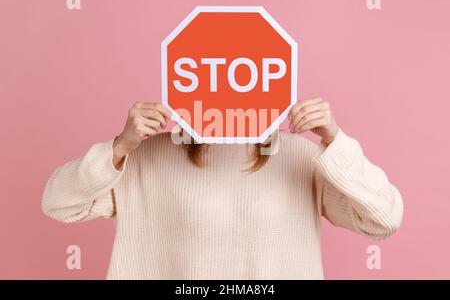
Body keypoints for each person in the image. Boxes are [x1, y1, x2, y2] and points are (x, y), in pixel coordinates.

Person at [42, 97, 403, 279]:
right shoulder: (146, 156)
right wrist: (119, 146)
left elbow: (383, 219)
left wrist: (335, 141)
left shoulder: (302, 157)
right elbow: (58, 203)